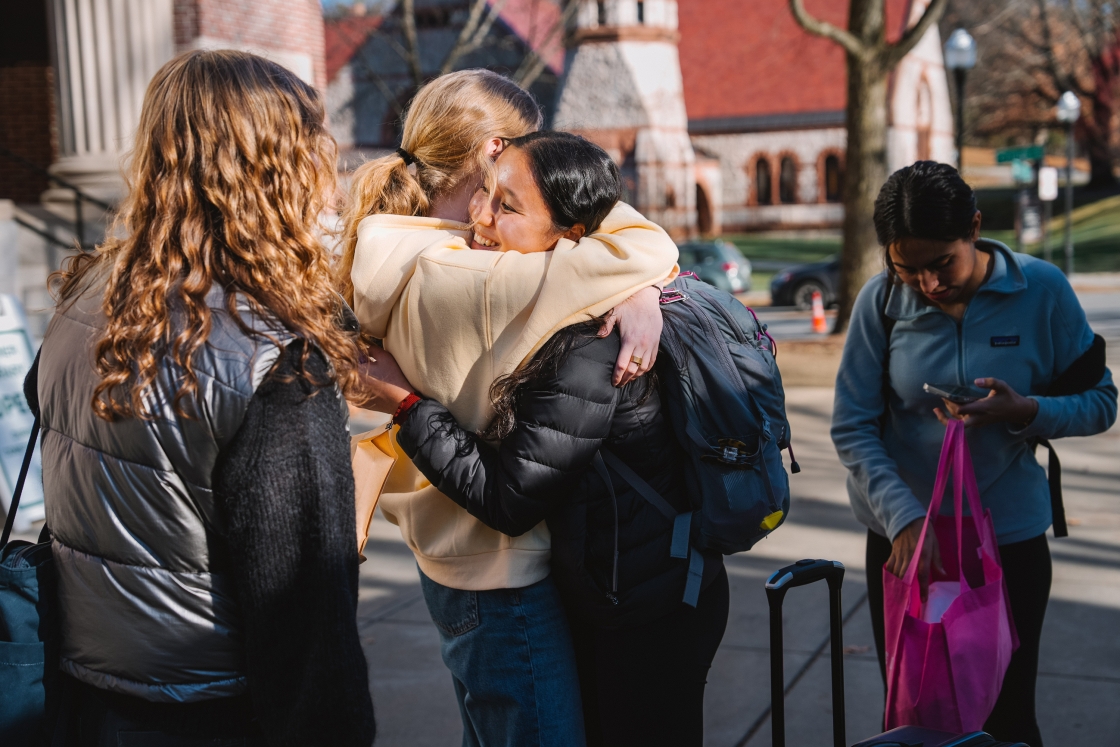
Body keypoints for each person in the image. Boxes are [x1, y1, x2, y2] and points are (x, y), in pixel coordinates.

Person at [29, 50, 375, 746]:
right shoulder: (271, 357)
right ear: (276, 167)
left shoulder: (87, 297)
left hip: (92, 690)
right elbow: (305, 620)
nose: (330, 178)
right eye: (316, 147)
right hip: (213, 705)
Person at [342, 71, 679, 747]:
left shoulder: (394, 250)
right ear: (498, 149)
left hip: (447, 554)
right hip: (501, 574)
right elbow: (646, 247)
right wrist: (641, 288)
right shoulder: (476, 278)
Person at [831, 161, 1116, 745]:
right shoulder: (881, 302)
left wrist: (1029, 412)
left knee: (1007, 717)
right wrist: (903, 517)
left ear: (976, 229)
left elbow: (1101, 402)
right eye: (907, 268)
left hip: (1007, 541)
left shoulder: (1041, 291)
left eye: (942, 264)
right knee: (920, 716)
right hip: (909, 544)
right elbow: (852, 425)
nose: (928, 285)